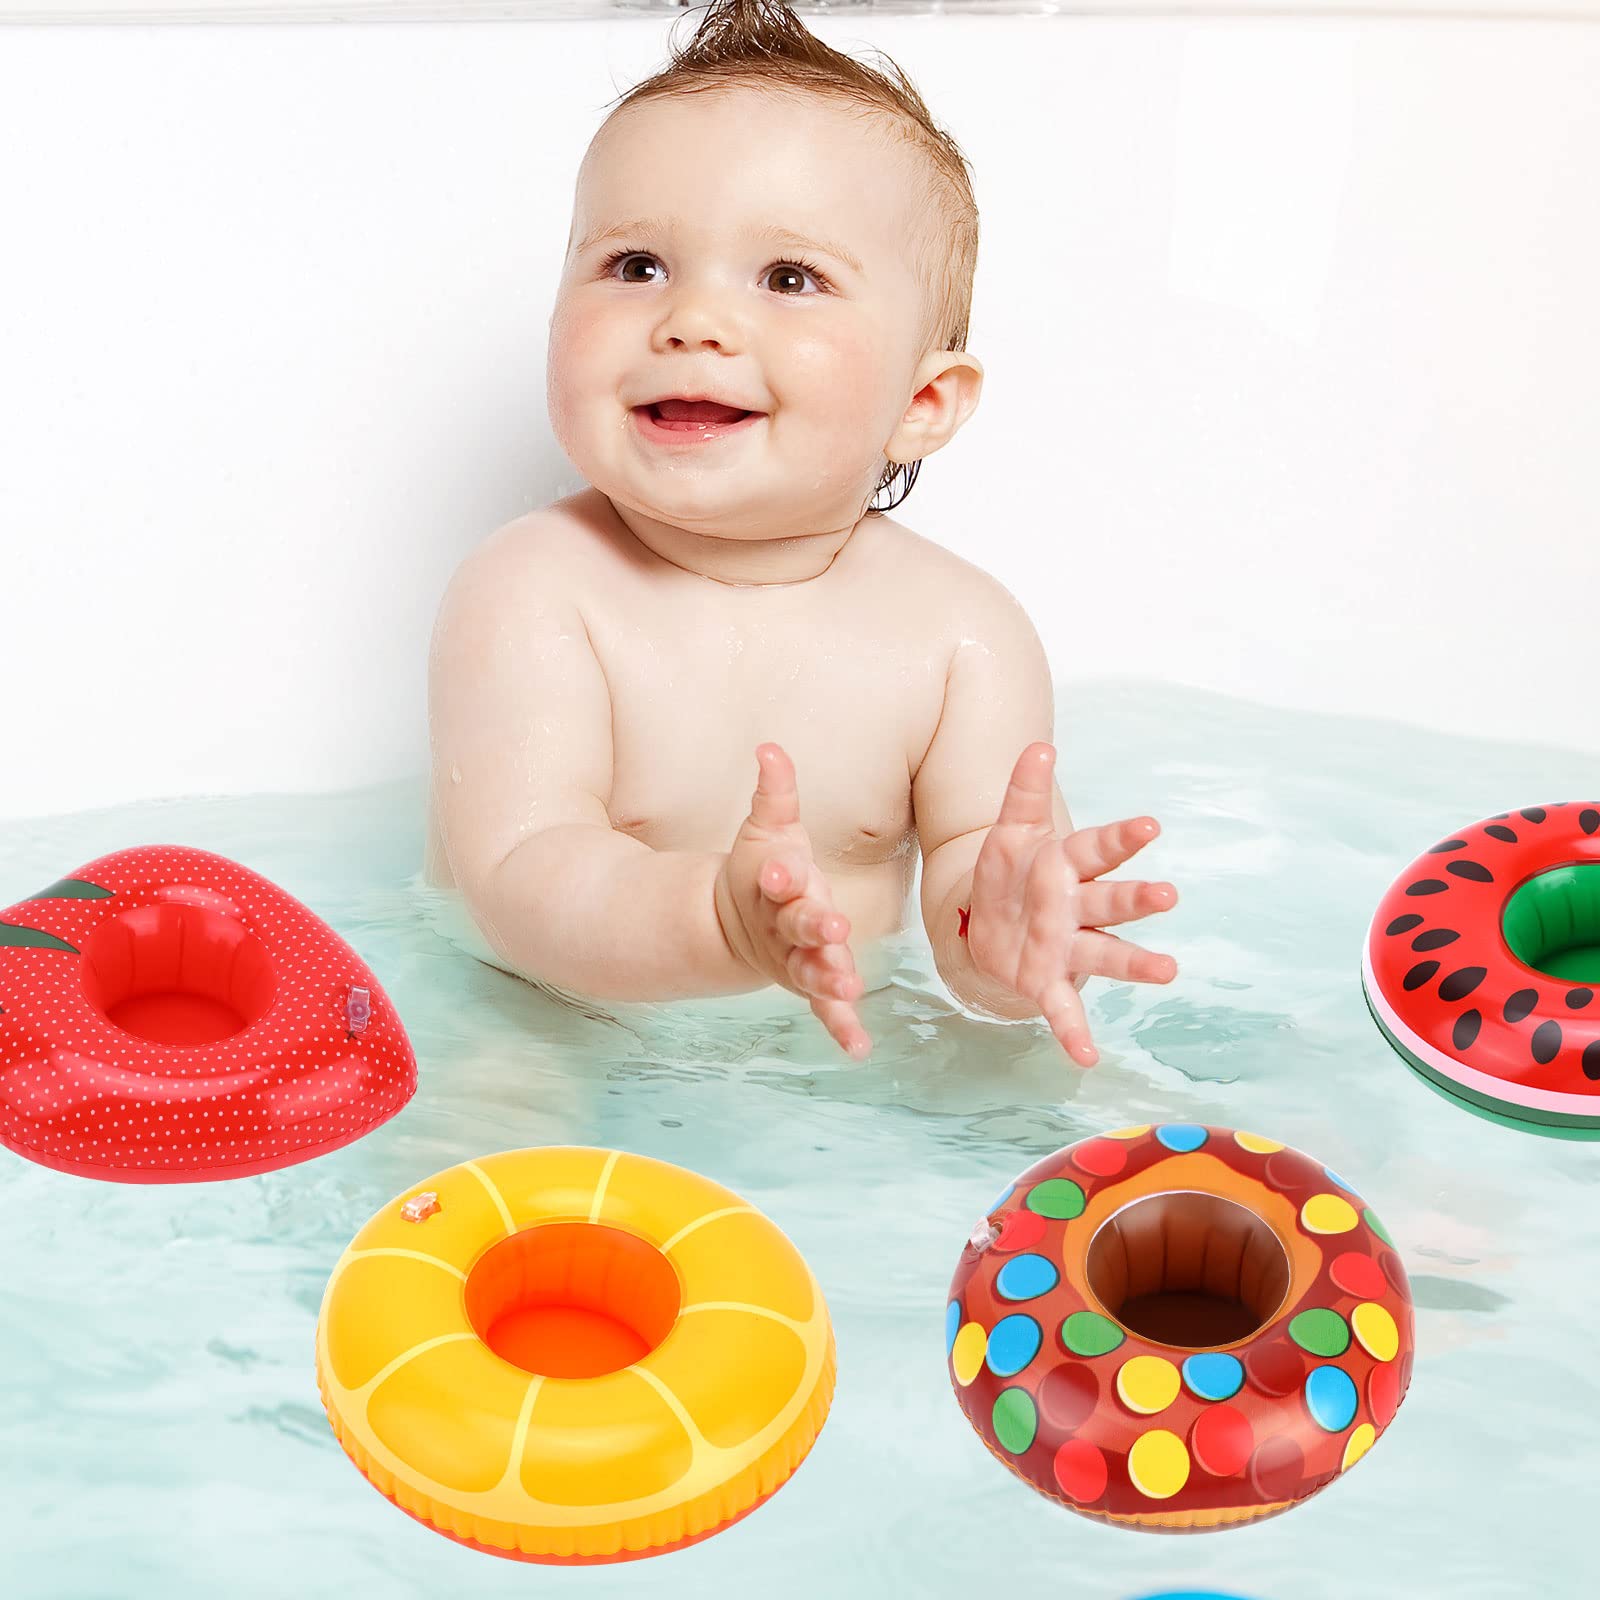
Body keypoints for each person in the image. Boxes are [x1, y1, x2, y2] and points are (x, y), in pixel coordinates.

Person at [426, 0, 1177, 1067]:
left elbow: (981, 899)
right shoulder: (533, 590)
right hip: (553, 1024)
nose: (692, 320)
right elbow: (519, 877)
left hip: (841, 1044)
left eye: (789, 279)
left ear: (923, 404)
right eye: (637, 265)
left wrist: (1008, 947)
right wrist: (716, 924)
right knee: (492, 1105)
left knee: (1066, 1105)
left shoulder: (961, 639)